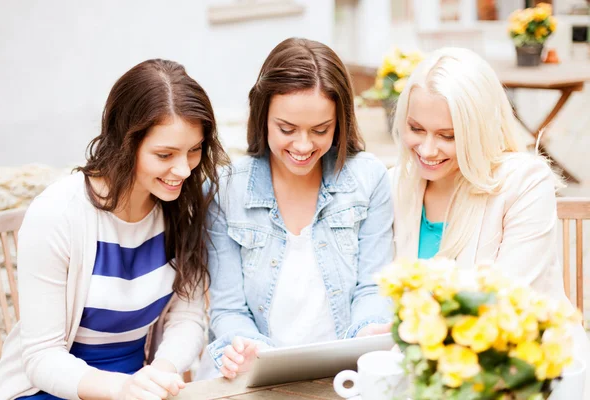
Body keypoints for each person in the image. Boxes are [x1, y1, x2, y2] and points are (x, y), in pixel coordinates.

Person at [0, 59, 228, 400]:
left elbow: (188, 318)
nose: (183, 169)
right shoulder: (58, 214)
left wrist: (158, 374)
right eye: (164, 154)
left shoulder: (182, 206)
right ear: (124, 143)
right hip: (47, 391)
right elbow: (42, 357)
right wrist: (122, 387)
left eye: (194, 150)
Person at [388, 47, 590, 394]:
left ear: (478, 130)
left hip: (525, 378)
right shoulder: (397, 184)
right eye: (416, 128)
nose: (427, 149)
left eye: (448, 135)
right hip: (428, 380)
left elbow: (502, 308)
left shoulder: (524, 182)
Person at [199, 37, 394, 380]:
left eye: (321, 130)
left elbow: (373, 287)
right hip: (252, 379)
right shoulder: (225, 189)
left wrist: (368, 331)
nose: (303, 146)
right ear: (262, 117)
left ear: (341, 121)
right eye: (286, 129)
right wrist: (248, 353)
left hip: (343, 376)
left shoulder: (368, 179)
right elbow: (228, 309)